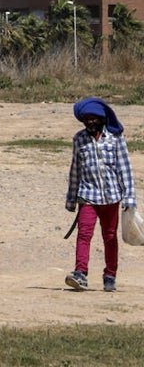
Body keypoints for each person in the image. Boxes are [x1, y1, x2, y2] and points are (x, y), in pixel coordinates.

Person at [65, 96, 136, 292]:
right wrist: (71, 199)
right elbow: (75, 170)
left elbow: (125, 169)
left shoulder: (115, 138)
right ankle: (80, 273)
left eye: (93, 118)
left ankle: (110, 275)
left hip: (111, 197)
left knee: (110, 236)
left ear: (102, 119)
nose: (89, 122)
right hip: (87, 195)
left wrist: (129, 197)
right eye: (86, 119)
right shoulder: (79, 139)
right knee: (84, 233)